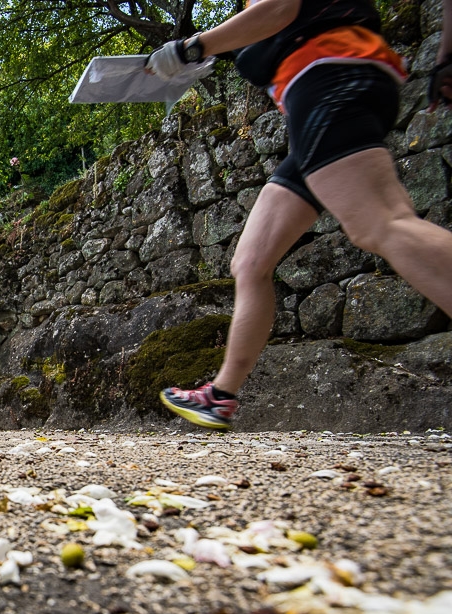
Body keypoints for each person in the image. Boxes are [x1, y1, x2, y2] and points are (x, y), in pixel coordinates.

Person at [147, 0, 452, 430]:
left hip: (330, 79)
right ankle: (220, 396)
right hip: (323, 93)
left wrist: (192, 48)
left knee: (382, 222)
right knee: (251, 263)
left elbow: (279, 9)